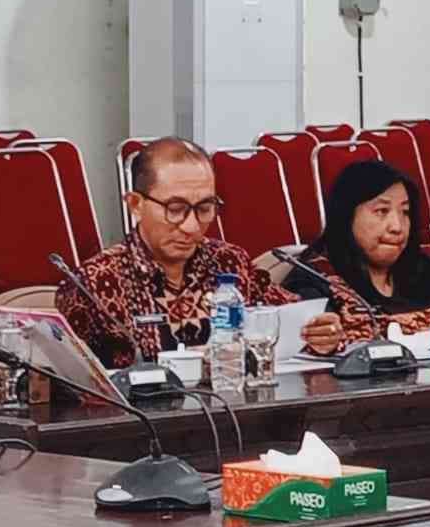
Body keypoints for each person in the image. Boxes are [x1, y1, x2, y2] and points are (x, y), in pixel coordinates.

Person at [55, 137, 344, 368]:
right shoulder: (94, 282)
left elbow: (291, 320)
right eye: (175, 210)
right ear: (135, 204)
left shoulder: (229, 262)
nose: (191, 226)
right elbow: (66, 384)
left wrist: (321, 335)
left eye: (205, 209)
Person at [284, 160, 430, 341]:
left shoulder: (421, 269)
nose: (397, 226)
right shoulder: (315, 276)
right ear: (347, 216)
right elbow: (308, 342)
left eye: (405, 212)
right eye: (382, 211)